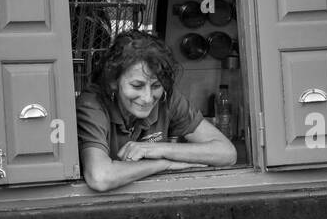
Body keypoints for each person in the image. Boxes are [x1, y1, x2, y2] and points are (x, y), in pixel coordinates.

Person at [77, 31, 236, 192]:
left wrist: (158, 149)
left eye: (156, 86)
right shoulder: (93, 104)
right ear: (113, 81)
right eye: (137, 86)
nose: (147, 98)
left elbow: (227, 153)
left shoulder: (168, 98)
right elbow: (100, 177)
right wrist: (164, 163)